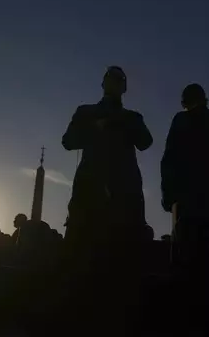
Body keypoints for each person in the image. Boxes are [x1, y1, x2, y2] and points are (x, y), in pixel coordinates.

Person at [62, 66, 153, 249]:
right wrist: (96, 128)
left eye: (119, 79)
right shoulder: (85, 112)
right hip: (89, 194)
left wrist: (121, 123)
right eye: (110, 78)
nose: (114, 82)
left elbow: (145, 142)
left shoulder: (132, 117)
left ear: (124, 87)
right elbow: (68, 141)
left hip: (124, 197)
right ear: (103, 83)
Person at [161, 83, 209, 276]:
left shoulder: (182, 119)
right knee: (205, 264)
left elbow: (170, 159)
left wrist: (167, 194)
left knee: (182, 259)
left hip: (185, 201)